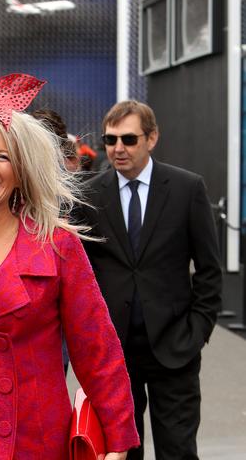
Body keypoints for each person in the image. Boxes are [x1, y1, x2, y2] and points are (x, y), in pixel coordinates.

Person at [0, 49, 139, 459]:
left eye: (4, 156)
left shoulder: (56, 245)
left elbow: (97, 350)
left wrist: (118, 440)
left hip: (32, 442)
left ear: (22, 172)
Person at [76, 100, 222, 460]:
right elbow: (82, 271)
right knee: (123, 450)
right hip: (114, 350)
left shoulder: (188, 189)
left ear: (152, 138)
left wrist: (198, 329)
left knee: (178, 450)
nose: (118, 149)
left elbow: (209, 268)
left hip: (175, 345)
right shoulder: (90, 195)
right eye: (110, 140)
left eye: (128, 139)